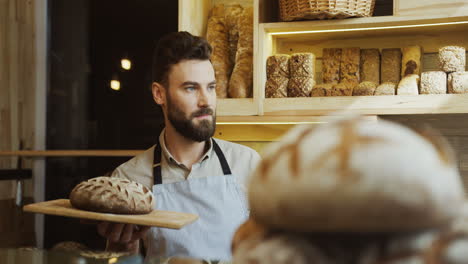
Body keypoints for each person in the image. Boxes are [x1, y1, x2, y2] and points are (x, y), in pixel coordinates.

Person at [97, 31, 261, 261]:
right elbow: (121, 261)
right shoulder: (128, 179)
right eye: (191, 88)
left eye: (211, 87)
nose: (206, 101)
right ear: (159, 94)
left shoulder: (248, 163)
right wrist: (123, 246)